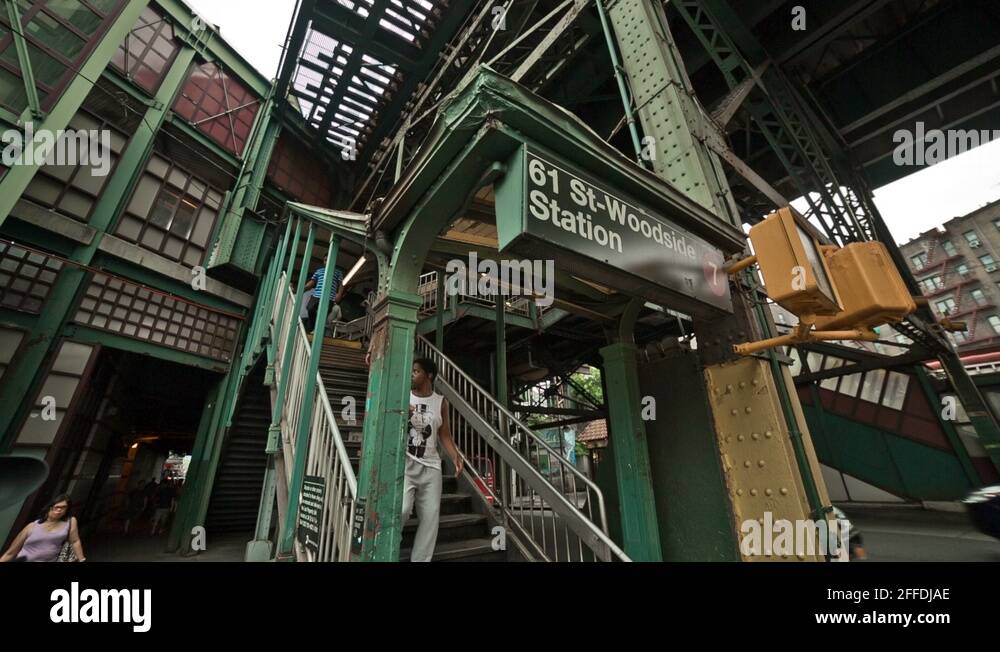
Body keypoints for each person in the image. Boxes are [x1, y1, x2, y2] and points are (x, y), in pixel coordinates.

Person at [402, 358, 463, 562]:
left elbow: (444, 434)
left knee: (430, 518)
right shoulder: (404, 395)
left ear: (428, 375)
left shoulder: (440, 401)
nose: (412, 374)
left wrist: (455, 456)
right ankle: (388, 547)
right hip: (406, 463)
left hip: (431, 467)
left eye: (416, 371)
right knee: (401, 510)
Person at [1, 494, 85, 562]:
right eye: (57, 506)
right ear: (50, 507)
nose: (59, 510)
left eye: (63, 507)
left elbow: (75, 541)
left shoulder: (70, 522)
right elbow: (11, 552)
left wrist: (81, 559)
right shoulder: (32, 526)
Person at [302, 257, 346, 332]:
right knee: (310, 309)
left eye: (329, 259)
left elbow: (341, 285)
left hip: (329, 297)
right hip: (316, 295)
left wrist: (339, 294)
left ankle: (316, 330)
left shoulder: (338, 272)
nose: (327, 261)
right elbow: (311, 283)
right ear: (323, 261)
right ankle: (312, 328)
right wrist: (302, 289)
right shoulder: (319, 271)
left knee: (323, 313)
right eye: (325, 260)